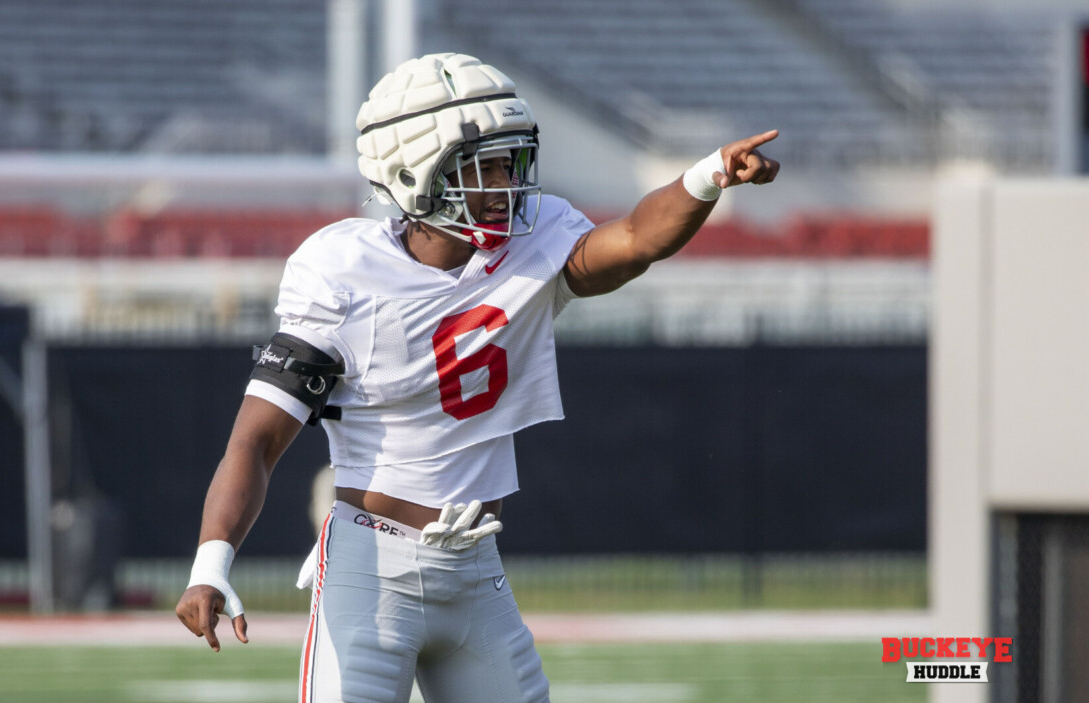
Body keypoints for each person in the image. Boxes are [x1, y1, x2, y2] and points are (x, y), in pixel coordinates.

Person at [175, 52, 779, 702]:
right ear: (415, 172)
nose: (504, 184)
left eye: (508, 162)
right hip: (370, 575)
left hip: (476, 569)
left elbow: (635, 238)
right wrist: (212, 563)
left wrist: (710, 174)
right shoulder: (344, 273)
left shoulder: (533, 241)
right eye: (483, 165)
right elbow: (256, 440)